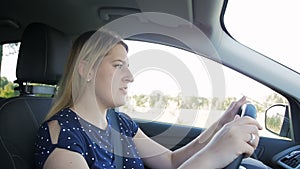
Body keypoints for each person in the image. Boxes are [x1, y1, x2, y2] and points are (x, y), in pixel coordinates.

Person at [34, 29, 264, 169]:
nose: (130, 77)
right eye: (118, 66)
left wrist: (218, 127)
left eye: (128, 67)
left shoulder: (121, 124)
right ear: (86, 70)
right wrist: (213, 154)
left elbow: (172, 162)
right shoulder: (61, 135)